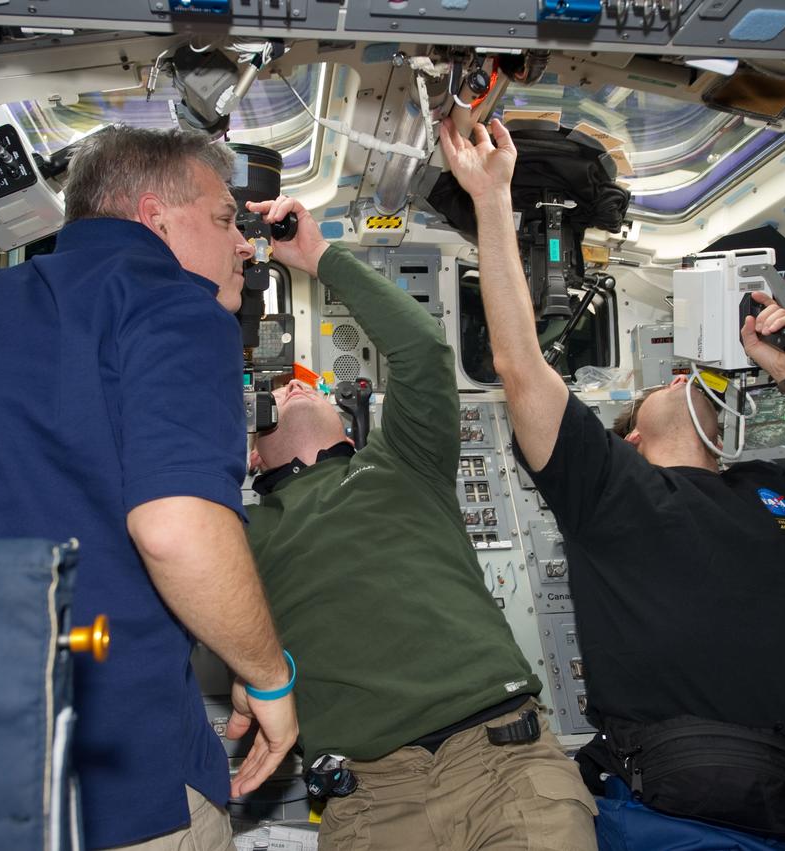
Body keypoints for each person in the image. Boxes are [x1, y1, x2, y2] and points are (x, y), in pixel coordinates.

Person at [439, 116, 785, 849]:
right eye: (657, 384)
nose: (678, 373)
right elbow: (520, 366)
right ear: (633, 435)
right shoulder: (608, 488)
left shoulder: (774, 490)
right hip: (666, 810)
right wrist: (489, 199)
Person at [0, 126, 298, 851]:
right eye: (224, 221)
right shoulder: (176, 304)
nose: (244, 245)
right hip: (122, 780)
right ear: (155, 217)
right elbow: (175, 527)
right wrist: (267, 675)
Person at [243, 193, 598, 851]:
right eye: (273, 389)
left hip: (501, 763)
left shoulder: (402, 459)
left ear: (348, 421)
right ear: (249, 449)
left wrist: (318, 255)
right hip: (373, 798)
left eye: (310, 383)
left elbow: (421, 349)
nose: (293, 384)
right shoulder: (238, 532)